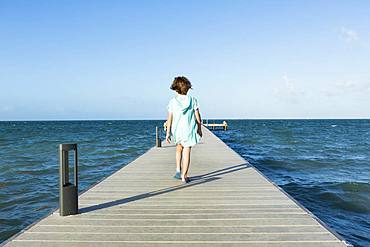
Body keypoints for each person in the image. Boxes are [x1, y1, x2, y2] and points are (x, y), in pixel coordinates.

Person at [166, 76, 202, 183]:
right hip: (189, 130)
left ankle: (178, 170)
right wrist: (199, 128)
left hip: (177, 130)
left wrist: (167, 133)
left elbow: (170, 118)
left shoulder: (173, 102)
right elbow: (197, 116)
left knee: (178, 148)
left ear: (175, 88)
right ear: (187, 88)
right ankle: (184, 176)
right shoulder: (192, 100)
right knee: (187, 151)